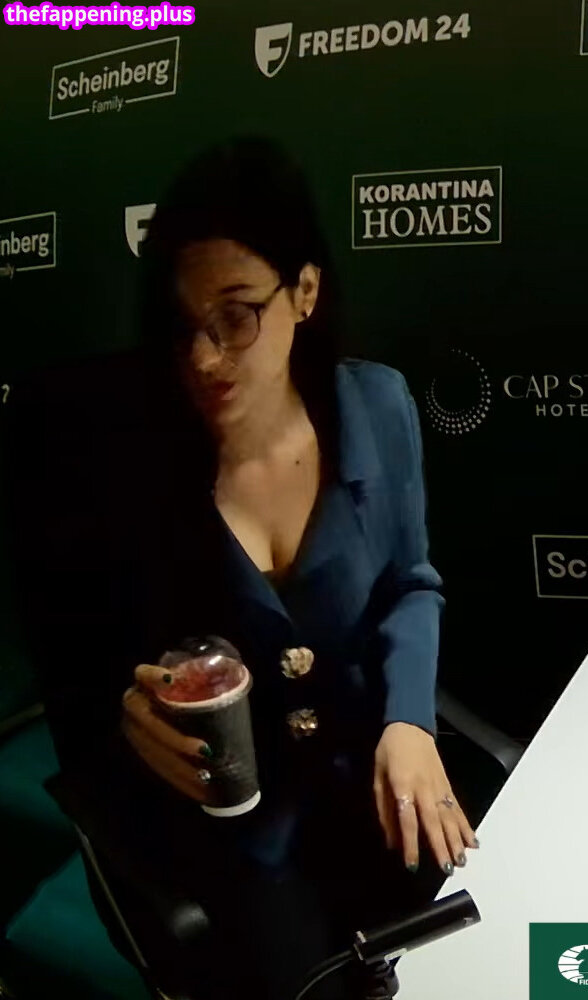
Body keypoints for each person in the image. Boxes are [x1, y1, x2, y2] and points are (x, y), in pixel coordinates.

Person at [5, 137, 478, 1000]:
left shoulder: (379, 404)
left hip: (375, 783)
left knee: (484, 952)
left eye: (236, 314)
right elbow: (90, 665)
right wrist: (127, 714)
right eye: (184, 324)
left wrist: (409, 723)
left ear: (304, 291)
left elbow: (412, 584)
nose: (204, 357)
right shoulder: (125, 465)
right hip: (231, 833)